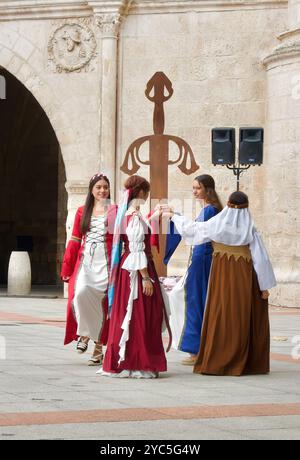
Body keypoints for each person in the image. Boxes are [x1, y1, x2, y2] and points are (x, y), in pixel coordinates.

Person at [163, 191, 276, 376]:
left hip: (221, 276)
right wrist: (264, 287)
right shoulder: (251, 229)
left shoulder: (218, 224)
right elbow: (261, 260)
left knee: (219, 312)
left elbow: (193, 230)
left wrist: (175, 216)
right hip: (243, 277)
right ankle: (240, 358)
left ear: (229, 205)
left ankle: (218, 357)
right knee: (239, 314)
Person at [98, 175, 171, 379]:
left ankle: (128, 358)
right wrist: (146, 278)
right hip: (136, 271)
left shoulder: (125, 215)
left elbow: (133, 240)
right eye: (146, 193)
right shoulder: (134, 217)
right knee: (139, 316)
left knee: (129, 316)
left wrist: (152, 218)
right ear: (140, 193)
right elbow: (137, 247)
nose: (147, 197)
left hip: (126, 270)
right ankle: (137, 361)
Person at [164, 175, 222, 365]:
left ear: (208, 189)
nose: (194, 191)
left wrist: (175, 216)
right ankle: (196, 348)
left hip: (202, 259)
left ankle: (196, 350)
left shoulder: (211, 210)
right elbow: (193, 229)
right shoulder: (209, 209)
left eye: (198, 188)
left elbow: (195, 231)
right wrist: (177, 215)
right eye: (194, 188)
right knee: (190, 298)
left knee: (192, 299)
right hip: (199, 258)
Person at [61, 173, 117, 365]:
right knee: (80, 294)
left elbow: (126, 237)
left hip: (108, 263)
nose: (102, 190)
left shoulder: (116, 211)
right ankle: (84, 334)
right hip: (86, 262)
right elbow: (75, 240)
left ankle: (99, 346)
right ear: (92, 190)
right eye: (98, 187)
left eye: (105, 187)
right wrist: (67, 266)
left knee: (103, 305)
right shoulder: (81, 211)